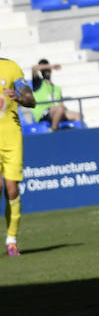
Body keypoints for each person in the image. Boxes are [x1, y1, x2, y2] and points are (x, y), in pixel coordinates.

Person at [0, 49, 35, 256]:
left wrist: (20, 98)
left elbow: (31, 99)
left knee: (11, 191)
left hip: (12, 138)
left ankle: (11, 240)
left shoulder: (11, 67)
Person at [31, 59, 82, 129]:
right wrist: (51, 66)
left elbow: (61, 104)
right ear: (41, 71)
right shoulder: (38, 83)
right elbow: (34, 68)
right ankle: (54, 131)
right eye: (44, 69)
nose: (47, 71)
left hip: (58, 112)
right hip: (43, 114)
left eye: (48, 69)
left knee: (78, 115)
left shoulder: (57, 88)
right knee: (60, 109)